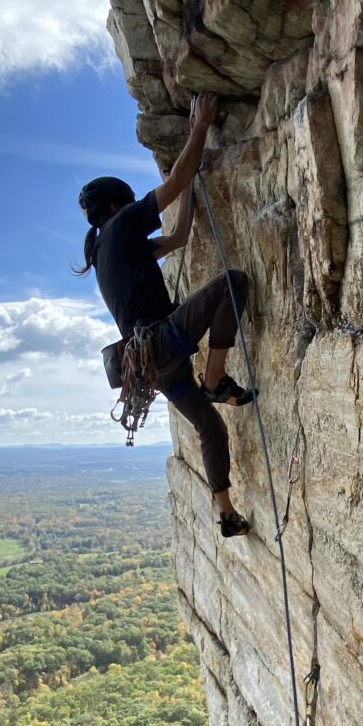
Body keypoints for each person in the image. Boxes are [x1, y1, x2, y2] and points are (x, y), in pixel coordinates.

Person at [76, 93, 252, 538]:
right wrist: (201, 126)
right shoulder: (120, 226)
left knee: (211, 429)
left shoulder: (109, 250)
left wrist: (190, 185)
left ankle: (227, 513)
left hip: (152, 368)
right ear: (116, 206)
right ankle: (215, 378)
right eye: (129, 204)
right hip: (161, 342)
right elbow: (171, 185)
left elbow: (177, 238)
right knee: (232, 283)